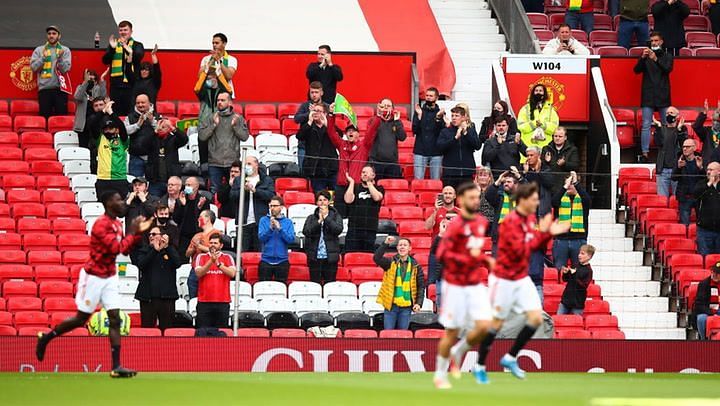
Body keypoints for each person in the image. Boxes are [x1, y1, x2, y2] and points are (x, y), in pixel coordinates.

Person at [35, 191, 152, 378]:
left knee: (115, 318)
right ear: (108, 203)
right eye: (118, 199)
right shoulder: (101, 225)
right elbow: (117, 249)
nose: (122, 202)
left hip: (110, 276)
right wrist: (133, 231)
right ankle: (47, 338)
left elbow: (126, 248)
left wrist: (136, 235)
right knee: (81, 319)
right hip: (94, 277)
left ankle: (116, 366)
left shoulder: (116, 224)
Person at [476, 183, 570, 380]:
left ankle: (510, 357)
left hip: (520, 276)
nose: (537, 203)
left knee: (537, 318)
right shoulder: (510, 221)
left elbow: (535, 248)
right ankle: (479, 364)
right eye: (534, 200)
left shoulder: (527, 221)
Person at [433, 182, 494, 388]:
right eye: (471, 197)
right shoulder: (455, 226)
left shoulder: (480, 222)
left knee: (486, 325)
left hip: (475, 283)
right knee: (451, 331)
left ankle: (460, 350)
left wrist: (486, 261)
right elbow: (441, 254)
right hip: (455, 285)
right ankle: (440, 374)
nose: (475, 201)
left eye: (477, 197)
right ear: (461, 200)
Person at [327, 105, 378, 218]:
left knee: (354, 216)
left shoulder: (364, 146)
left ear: (358, 134)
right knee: (339, 216)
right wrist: (331, 115)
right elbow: (331, 132)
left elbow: (371, 132)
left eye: (353, 131)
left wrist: (378, 117)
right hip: (341, 186)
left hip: (357, 186)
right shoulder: (341, 144)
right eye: (348, 131)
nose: (350, 132)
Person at [198, 92, 250, 193]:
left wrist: (235, 127)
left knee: (234, 189)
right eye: (218, 100)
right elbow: (202, 136)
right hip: (214, 162)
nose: (219, 102)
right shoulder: (210, 118)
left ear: (230, 102)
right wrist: (213, 125)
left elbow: (245, 137)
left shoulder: (238, 118)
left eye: (222, 100)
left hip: (232, 162)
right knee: (215, 190)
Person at [635, 31, 674, 162]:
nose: (654, 43)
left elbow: (667, 69)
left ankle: (665, 151)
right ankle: (645, 153)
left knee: (665, 124)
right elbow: (636, 70)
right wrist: (642, 58)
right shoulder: (646, 56)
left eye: (656, 41)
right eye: (652, 41)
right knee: (646, 124)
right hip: (649, 94)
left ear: (661, 42)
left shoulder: (667, 56)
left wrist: (655, 59)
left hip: (663, 93)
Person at [134, 225, 182, 330]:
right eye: (150, 234)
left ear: (162, 236)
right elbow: (141, 265)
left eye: (154, 234)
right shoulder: (144, 250)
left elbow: (178, 263)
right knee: (147, 330)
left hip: (167, 298)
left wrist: (167, 247)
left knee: (167, 330)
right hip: (148, 298)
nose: (151, 236)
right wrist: (154, 251)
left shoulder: (170, 250)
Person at [374, 236, 424, 330]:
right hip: (391, 305)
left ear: (410, 248)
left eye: (405, 245)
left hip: (406, 307)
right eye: (400, 245)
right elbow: (376, 258)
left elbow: (420, 286)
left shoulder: (416, 266)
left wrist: (418, 303)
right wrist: (385, 244)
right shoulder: (390, 262)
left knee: (403, 337)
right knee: (388, 335)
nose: (402, 247)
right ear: (397, 248)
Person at [231, 155, 275, 252]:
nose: (247, 166)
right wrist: (245, 190)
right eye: (245, 164)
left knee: (261, 253)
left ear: (256, 165)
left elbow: (271, 197)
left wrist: (255, 191)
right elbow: (233, 196)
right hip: (243, 223)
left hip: (261, 223)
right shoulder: (239, 180)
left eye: (249, 164)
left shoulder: (266, 180)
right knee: (242, 254)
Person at [101, 20, 144, 116]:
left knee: (130, 114)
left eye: (125, 30)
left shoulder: (138, 45)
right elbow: (105, 61)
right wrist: (112, 49)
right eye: (121, 30)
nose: (123, 32)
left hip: (131, 85)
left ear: (131, 31)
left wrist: (129, 51)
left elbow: (138, 58)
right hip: (116, 85)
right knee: (115, 114)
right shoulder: (114, 44)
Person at [194, 233, 237, 328]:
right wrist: (211, 261)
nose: (212, 245)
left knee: (221, 334)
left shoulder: (227, 257)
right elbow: (199, 273)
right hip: (204, 302)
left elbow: (232, 273)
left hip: (223, 302)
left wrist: (218, 264)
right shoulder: (201, 257)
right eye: (211, 243)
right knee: (202, 333)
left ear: (221, 245)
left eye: (215, 243)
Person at [30, 25, 71, 118]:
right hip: (44, 90)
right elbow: (33, 68)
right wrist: (43, 58)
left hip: (61, 90)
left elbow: (65, 70)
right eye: (49, 34)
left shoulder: (65, 50)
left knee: (61, 120)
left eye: (54, 33)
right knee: (44, 119)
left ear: (59, 36)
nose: (51, 36)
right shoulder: (39, 50)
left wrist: (60, 59)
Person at [552, 171, 591, 269]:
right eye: (567, 184)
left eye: (571, 184)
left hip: (579, 240)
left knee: (578, 270)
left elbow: (587, 200)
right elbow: (554, 202)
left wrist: (576, 183)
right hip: (561, 240)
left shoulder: (582, 198)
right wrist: (565, 186)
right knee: (559, 269)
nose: (569, 186)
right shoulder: (560, 198)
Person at [303, 191, 343, 285]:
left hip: (330, 258)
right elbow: (306, 232)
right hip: (315, 258)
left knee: (330, 285)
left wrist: (326, 218)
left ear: (329, 202)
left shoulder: (336, 216)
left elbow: (338, 230)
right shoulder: (311, 218)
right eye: (320, 200)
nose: (322, 202)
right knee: (315, 285)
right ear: (316, 203)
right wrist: (319, 221)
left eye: (325, 200)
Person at [437, 105, 482, 189]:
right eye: (452, 116)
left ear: (463, 117)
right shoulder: (445, 131)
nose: (454, 118)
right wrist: (454, 139)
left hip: (467, 173)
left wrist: (466, 133)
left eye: (457, 116)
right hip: (450, 174)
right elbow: (440, 148)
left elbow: (477, 145)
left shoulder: (470, 130)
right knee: (449, 199)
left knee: (466, 200)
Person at [297, 104, 338, 193]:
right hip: (316, 170)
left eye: (318, 111)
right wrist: (309, 122)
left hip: (331, 168)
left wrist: (327, 124)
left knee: (334, 196)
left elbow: (339, 136)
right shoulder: (308, 126)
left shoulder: (330, 126)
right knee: (320, 195)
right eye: (314, 110)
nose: (315, 113)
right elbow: (299, 136)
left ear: (324, 113)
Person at [94, 101, 130, 200]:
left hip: (119, 179)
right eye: (105, 129)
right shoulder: (100, 139)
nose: (108, 131)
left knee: (120, 208)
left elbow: (122, 127)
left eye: (111, 128)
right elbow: (92, 125)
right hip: (103, 179)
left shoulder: (123, 140)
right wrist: (103, 112)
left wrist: (111, 113)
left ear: (116, 129)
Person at [344, 166, 385, 252]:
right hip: (353, 229)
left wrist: (369, 183)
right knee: (351, 255)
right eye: (363, 172)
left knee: (367, 256)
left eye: (366, 172)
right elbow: (348, 200)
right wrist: (351, 182)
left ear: (373, 175)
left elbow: (377, 197)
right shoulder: (355, 187)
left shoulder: (379, 188)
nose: (364, 174)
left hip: (370, 229)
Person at [146, 118, 188, 197]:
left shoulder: (174, 139)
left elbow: (184, 139)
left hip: (171, 181)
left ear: (169, 129)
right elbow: (143, 144)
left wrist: (173, 128)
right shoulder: (152, 139)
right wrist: (155, 131)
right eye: (159, 127)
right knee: (154, 204)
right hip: (155, 182)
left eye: (164, 127)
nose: (160, 129)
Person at [258, 196, 295, 283]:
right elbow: (261, 238)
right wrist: (270, 229)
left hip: (282, 261)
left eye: (275, 206)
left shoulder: (288, 222)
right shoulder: (263, 220)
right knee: (264, 288)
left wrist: (280, 229)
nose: (272, 208)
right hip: (266, 260)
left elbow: (290, 239)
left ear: (281, 207)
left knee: (281, 288)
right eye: (271, 206)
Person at [294, 81, 329, 173]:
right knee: (304, 173)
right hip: (304, 145)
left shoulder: (327, 106)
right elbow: (296, 119)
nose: (314, 95)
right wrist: (309, 113)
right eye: (312, 92)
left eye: (316, 92)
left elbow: (332, 125)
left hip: (321, 146)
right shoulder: (305, 106)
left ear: (321, 93)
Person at [185, 209, 221, 299]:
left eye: (200, 217)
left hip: (210, 269)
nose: (198, 219)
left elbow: (215, 251)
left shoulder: (216, 233)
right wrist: (194, 246)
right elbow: (187, 254)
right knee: (193, 297)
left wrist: (199, 246)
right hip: (195, 269)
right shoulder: (197, 235)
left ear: (208, 219)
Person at [368, 99, 407, 180]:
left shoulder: (396, 122)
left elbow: (402, 137)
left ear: (392, 108)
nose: (385, 108)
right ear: (379, 107)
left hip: (392, 163)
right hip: (376, 162)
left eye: (388, 106)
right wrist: (378, 118)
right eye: (383, 106)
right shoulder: (373, 120)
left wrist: (397, 121)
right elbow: (369, 137)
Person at [412, 87, 446, 180]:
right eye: (427, 95)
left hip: (436, 151)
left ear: (436, 98)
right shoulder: (419, 111)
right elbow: (414, 130)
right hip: (420, 150)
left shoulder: (441, 112)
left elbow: (443, 131)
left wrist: (438, 118)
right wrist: (419, 117)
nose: (428, 98)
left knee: (436, 180)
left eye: (431, 96)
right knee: (418, 180)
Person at [173, 176, 211, 256]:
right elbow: (176, 219)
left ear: (196, 187)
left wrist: (199, 208)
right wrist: (182, 205)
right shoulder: (180, 199)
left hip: (199, 235)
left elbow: (207, 220)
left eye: (189, 185)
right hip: (183, 236)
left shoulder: (203, 200)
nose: (187, 187)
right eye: (186, 185)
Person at [124, 93, 159, 178]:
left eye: (143, 102)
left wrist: (152, 122)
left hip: (153, 157)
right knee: (135, 184)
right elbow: (124, 131)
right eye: (138, 103)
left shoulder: (157, 116)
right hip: (135, 157)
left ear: (149, 103)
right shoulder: (130, 117)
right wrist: (137, 125)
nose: (140, 105)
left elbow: (162, 130)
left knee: (152, 185)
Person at [654, 107, 687, 197]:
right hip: (662, 171)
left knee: (677, 199)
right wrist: (658, 128)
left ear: (677, 116)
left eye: (671, 113)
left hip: (676, 170)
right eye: (667, 113)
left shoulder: (682, 129)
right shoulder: (661, 129)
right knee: (662, 200)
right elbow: (658, 142)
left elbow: (684, 145)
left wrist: (679, 130)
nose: (668, 115)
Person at [517, 84, 559, 153]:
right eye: (536, 91)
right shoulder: (525, 108)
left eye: (540, 91)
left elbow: (555, 127)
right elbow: (520, 126)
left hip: (545, 147)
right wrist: (534, 124)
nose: (538, 92)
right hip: (528, 147)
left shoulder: (551, 110)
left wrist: (543, 125)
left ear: (544, 93)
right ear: (533, 93)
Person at [673, 139, 704, 225]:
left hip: (698, 197)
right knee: (684, 224)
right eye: (683, 147)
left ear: (694, 148)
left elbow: (706, 178)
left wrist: (701, 168)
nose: (685, 149)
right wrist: (678, 167)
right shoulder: (679, 159)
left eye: (688, 147)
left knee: (701, 224)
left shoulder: (700, 159)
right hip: (685, 197)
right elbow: (673, 178)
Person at [73, 70, 107, 150]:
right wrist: (85, 83)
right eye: (89, 79)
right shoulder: (80, 87)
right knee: (83, 148)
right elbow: (77, 97)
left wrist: (102, 81)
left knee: (96, 147)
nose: (91, 82)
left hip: (95, 122)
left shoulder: (98, 88)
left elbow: (103, 98)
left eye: (93, 80)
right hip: (83, 124)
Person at [541, 127, 580, 195]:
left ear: (565, 137)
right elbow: (541, 167)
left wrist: (564, 163)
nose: (557, 138)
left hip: (564, 186)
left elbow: (576, 166)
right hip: (549, 185)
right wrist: (547, 161)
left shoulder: (572, 149)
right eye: (555, 136)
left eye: (560, 136)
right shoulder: (546, 149)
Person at [557, 244, 595, 315]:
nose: (579, 255)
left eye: (582, 254)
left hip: (578, 303)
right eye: (579, 253)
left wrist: (574, 274)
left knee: (576, 323)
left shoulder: (589, 271)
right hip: (566, 300)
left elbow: (583, 286)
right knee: (558, 322)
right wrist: (566, 273)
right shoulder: (575, 265)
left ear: (589, 256)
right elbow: (565, 279)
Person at [199, 33, 237, 98]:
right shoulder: (206, 59)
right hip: (208, 95)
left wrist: (219, 60)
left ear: (224, 44)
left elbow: (228, 76)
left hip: (225, 95)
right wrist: (211, 61)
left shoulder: (231, 59)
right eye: (213, 43)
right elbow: (200, 76)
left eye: (217, 43)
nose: (214, 45)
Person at [694, 162, 720, 255]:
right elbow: (696, 195)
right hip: (704, 230)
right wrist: (709, 184)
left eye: (711, 170)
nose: (708, 172)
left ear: (719, 172)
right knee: (705, 258)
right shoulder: (702, 184)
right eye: (707, 169)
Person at [692, 263, 720, 340]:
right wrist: (711, 313)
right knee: (701, 319)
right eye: (714, 272)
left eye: (718, 273)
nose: (715, 275)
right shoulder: (704, 284)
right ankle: (704, 340)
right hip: (707, 310)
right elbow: (699, 305)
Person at [693, 99, 720, 165]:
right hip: (707, 164)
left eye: (718, 121)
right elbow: (696, 126)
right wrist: (704, 112)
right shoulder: (706, 131)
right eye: (714, 120)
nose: (715, 123)